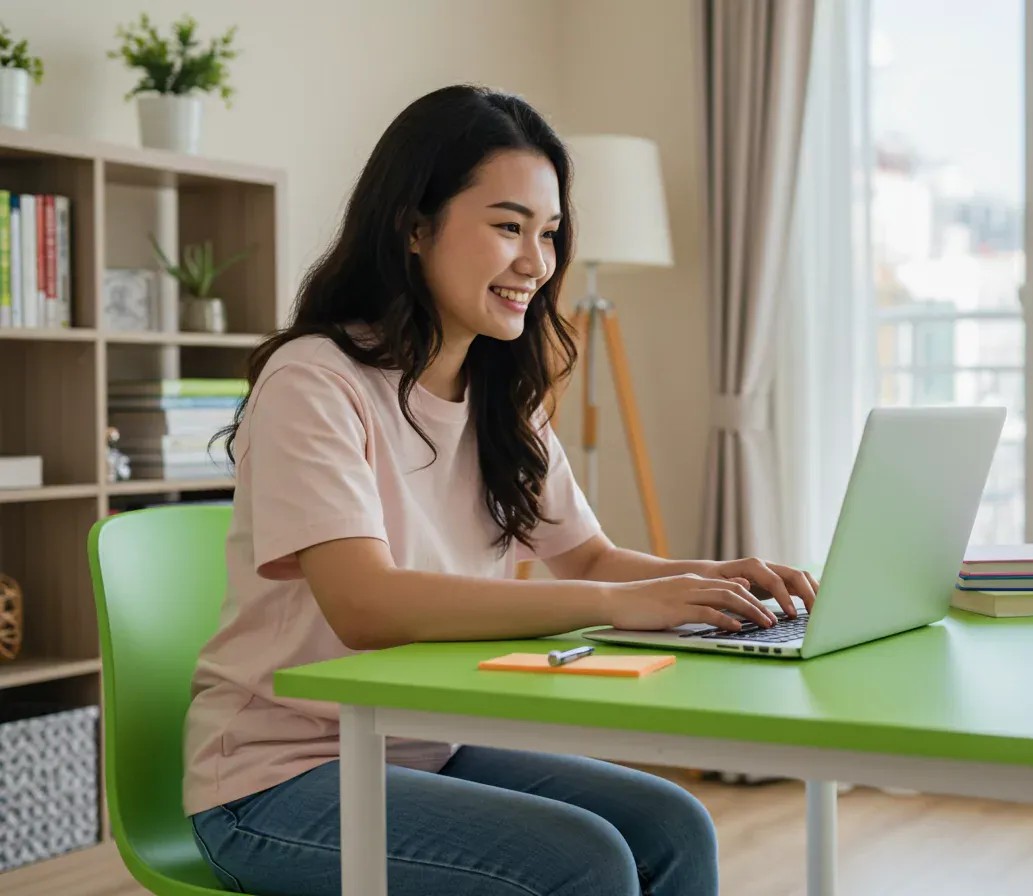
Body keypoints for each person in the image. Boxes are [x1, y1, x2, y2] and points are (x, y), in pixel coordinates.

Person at [184, 84, 818, 896]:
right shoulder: (316, 380)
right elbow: (364, 604)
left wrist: (718, 582)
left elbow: (585, 558)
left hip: (421, 747)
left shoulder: (498, 395)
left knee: (672, 826)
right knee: (582, 862)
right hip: (274, 779)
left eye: (549, 233)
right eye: (508, 226)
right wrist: (624, 606)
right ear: (415, 227)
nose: (537, 262)